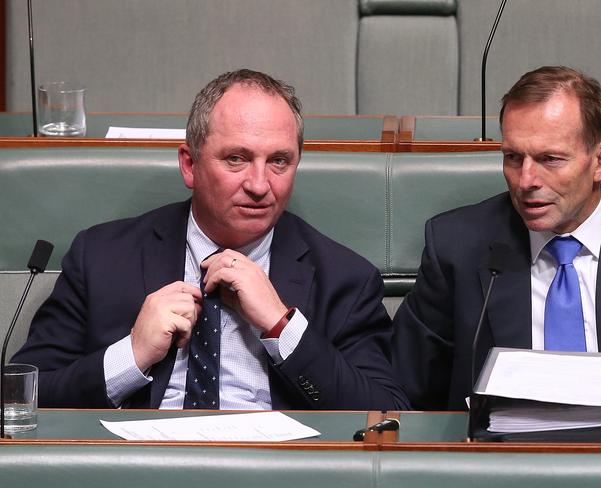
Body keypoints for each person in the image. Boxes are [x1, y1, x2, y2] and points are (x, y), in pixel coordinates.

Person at [13, 69, 409, 410]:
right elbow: (20, 397)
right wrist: (131, 356)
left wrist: (281, 327)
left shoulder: (345, 278)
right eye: (236, 158)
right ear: (189, 164)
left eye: (279, 161)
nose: (259, 185)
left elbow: (387, 414)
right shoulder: (101, 257)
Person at [392, 66, 601, 410]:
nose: (526, 180)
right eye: (513, 158)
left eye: (549, 159)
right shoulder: (458, 246)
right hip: (501, 457)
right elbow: (403, 391)